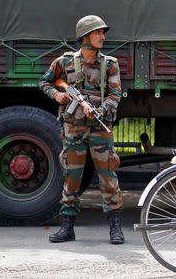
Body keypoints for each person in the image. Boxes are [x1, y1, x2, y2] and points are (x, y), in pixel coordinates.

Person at [39, 15, 124, 244]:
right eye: (97, 33)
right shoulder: (64, 62)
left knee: (108, 175)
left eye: (102, 33)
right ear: (85, 36)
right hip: (73, 128)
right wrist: (57, 94)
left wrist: (100, 109)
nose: (102, 37)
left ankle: (115, 227)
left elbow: (116, 94)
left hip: (100, 128)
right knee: (72, 177)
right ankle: (67, 227)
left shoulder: (110, 63)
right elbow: (45, 82)